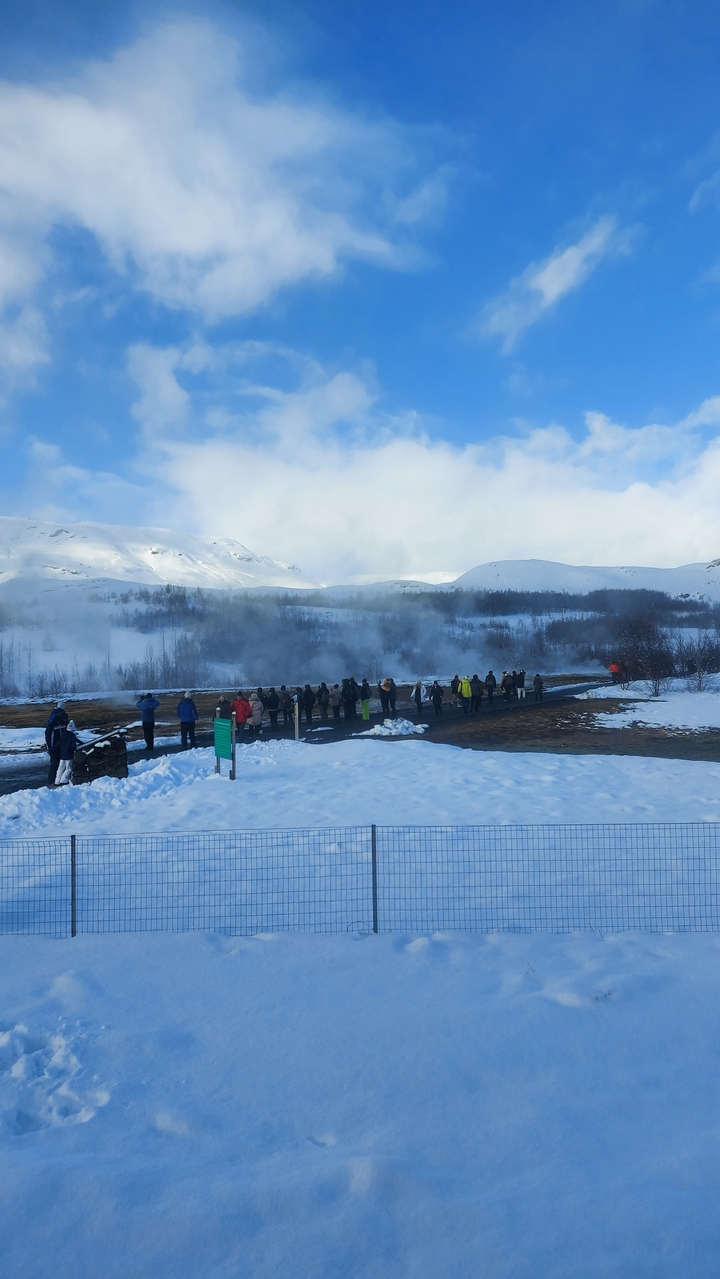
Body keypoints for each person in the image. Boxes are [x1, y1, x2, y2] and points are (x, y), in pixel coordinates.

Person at [45, 700, 69, 786]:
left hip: (59, 745)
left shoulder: (54, 717)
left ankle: (56, 780)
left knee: (59, 764)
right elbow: (49, 735)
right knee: (55, 764)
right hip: (55, 746)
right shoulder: (54, 722)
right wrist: (50, 748)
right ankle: (51, 781)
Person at [55, 720, 80, 786]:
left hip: (62, 755)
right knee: (68, 768)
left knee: (60, 769)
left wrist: (51, 750)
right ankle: (63, 780)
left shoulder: (64, 735)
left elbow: (58, 744)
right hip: (69, 755)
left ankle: (57, 781)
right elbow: (73, 746)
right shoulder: (73, 736)